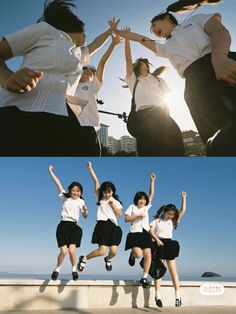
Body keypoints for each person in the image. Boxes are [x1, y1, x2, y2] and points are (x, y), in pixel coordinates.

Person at [0, 0, 120, 155]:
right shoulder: (45, 31)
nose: (86, 36)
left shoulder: (78, 53)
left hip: (61, 118)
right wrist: (7, 78)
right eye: (85, 33)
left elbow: (96, 43)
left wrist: (111, 30)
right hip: (21, 114)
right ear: (78, 30)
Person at [118, 0, 236, 156]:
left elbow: (219, 31)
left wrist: (219, 57)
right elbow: (142, 39)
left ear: (166, 18)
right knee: (218, 137)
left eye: (154, 25)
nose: (152, 31)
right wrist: (124, 35)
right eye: (151, 30)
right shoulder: (165, 47)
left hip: (220, 62)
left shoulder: (195, 20)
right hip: (195, 85)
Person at [123, 27, 185, 156]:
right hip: (144, 118)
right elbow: (128, 59)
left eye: (144, 62)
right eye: (139, 63)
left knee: (175, 149)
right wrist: (127, 39)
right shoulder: (134, 80)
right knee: (149, 152)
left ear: (148, 65)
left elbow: (168, 98)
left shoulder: (158, 80)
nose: (142, 63)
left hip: (163, 116)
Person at [67, 35, 122, 156]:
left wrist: (113, 44)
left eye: (91, 71)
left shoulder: (93, 86)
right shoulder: (69, 84)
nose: (87, 71)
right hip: (67, 128)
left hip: (87, 129)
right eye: (84, 69)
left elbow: (102, 63)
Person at [77, 161, 123, 273]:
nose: (107, 194)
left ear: (112, 191)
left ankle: (108, 259)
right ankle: (84, 258)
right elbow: (96, 181)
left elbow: (120, 215)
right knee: (102, 251)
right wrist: (90, 168)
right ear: (102, 192)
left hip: (113, 227)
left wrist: (113, 206)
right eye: (105, 192)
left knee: (114, 252)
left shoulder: (115, 201)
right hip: (102, 225)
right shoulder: (100, 198)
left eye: (109, 192)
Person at [48, 164, 88, 281]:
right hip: (63, 226)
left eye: (78, 191)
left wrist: (85, 211)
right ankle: (57, 268)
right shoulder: (65, 197)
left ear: (80, 192)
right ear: (70, 191)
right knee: (64, 252)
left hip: (74, 227)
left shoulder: (81, 202)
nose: (75, 192)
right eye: (73, 190)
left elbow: (85, 216)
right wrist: (51, 172)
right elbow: (58, 183)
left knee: (71, 251)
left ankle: (74, 270)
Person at [149, 191, 187, 307]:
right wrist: (157, 239)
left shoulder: (173, 221)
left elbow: (183, 211)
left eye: (172, 214)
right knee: (158, 271)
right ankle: (158, 296)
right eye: (169, 213)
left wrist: (183, 198)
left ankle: (178, 296)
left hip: (169, 245)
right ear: (164, 212)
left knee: (173, 271)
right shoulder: (156, 221)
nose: (170, 216)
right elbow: (149, 231)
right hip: (158, 244)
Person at [125, 173, 156, 288]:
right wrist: (137, 216)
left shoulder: (146, 207)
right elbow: (126, 219)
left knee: (148, 255)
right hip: (134, 233)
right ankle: (132, 255)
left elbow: (151, 194)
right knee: (139, 254)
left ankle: (144, 277)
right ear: (136, 200)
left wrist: (152, 181)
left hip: (145, 233)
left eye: (144, 199)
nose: (142, 201)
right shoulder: (132, 207)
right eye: (140, 199)